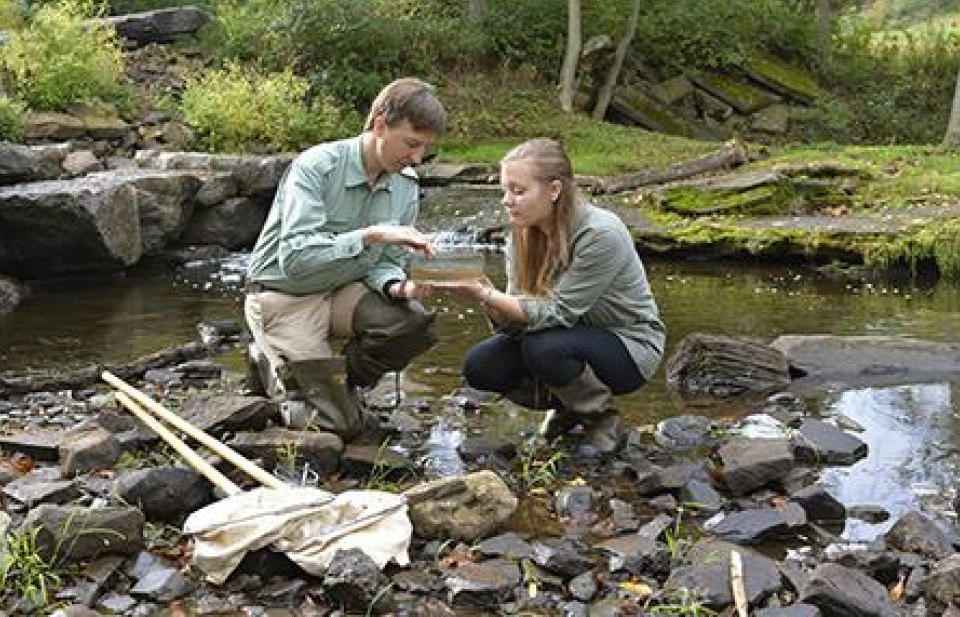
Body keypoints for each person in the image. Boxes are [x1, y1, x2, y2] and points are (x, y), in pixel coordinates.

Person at [244, 77, 446, 440]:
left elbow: (386, 262)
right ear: (381, 125)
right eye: (412, 144)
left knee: (413, 323)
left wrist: (398, 287)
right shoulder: (316, 167)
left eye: (424, 148)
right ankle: (269, 364)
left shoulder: (406, 185)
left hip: (341, 292)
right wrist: (371, 235)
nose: (417, 158)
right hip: (283, 297)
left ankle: (334, 385)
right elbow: (297, 258)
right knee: (341, 426)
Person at [453, 138, 665, 454]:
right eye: (504, 191)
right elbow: (517, 325)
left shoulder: (600, 233)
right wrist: (488, 299)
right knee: (481, 364)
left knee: (545, 347)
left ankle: (599, 419)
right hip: (559, 337)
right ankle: (568, 409)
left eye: (518, 191)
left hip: (628, 345)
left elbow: (559, 313)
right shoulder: (520, 235)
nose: (507, 201)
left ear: (554, 191)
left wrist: (490, 294)